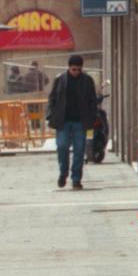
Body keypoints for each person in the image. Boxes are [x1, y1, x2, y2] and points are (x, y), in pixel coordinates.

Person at [45, 54, 98, 190]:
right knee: (62, 147)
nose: (76, 72)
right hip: (63, 121)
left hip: (80, 122)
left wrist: (92, 116)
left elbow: (93, 100)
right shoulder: (60, 80)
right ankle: (63, 173)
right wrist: (50, 115)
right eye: (74, 69)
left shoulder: (87, 81)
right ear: (69, 68)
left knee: (79, 150)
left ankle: (76, 179)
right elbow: (52, 99)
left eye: (79, 70)